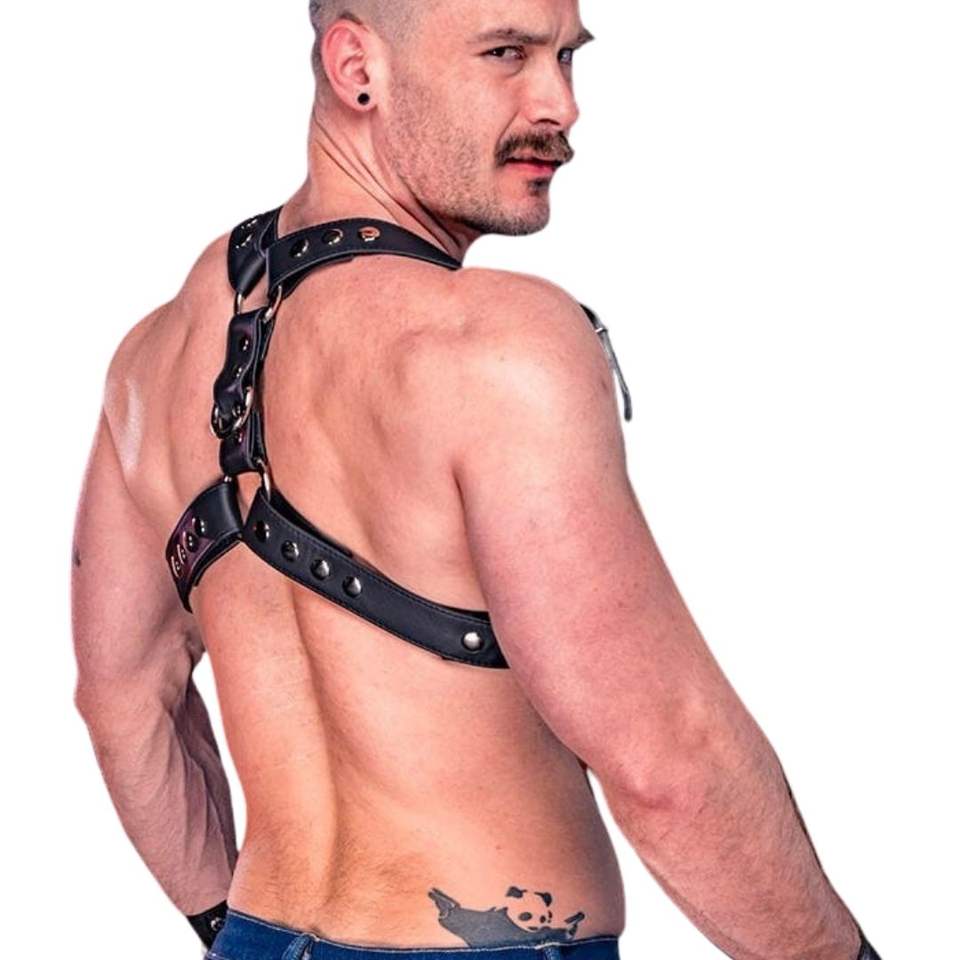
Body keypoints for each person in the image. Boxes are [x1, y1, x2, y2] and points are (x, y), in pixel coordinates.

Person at [70, 2, 881, 958]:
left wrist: (229, 932)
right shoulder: (499, 342)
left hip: (262, 936)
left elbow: (123, 699)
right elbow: (668, 763)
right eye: (506, 54)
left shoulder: (155, 355)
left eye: (567, 58)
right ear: (356, 67)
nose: (560, 105)